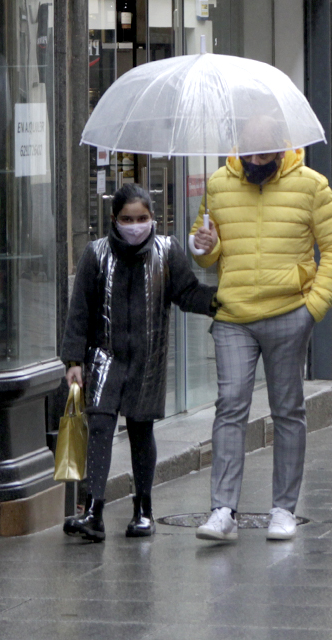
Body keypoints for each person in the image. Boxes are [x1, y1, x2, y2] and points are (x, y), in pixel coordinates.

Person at [190, 122, 332, 543]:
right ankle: (222, 510)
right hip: (234, 315)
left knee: (288, 410)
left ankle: (284, 509)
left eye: (266, 154)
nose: (258, 161)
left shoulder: (311, 185)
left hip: (289, 312)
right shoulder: (219, 182)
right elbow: (205, 250)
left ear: (282, 147)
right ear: (240, 147)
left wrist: (313, 308)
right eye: (251, 154)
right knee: (230, 406)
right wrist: (204, 246)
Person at [61, 184, 218, 542]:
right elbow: (80, 311)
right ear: (114, 220)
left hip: (148, 357)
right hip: (104, 356)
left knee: (141, 430)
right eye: (128, 219)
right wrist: (73, 359)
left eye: (142, 218)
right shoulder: (95, 254)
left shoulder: (167, 252)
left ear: (153, 219)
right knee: (99, 427)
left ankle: (143, 510)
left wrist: (223, 300)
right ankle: (94, 511)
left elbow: (187, 292)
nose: (136, 225)